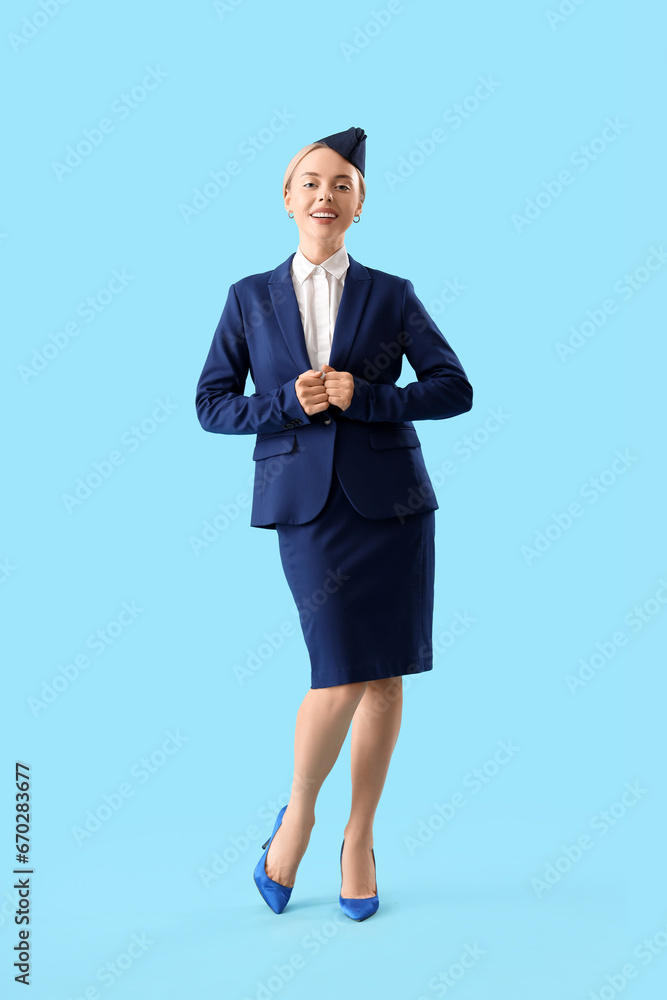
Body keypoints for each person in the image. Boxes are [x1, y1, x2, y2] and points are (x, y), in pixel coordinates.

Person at [195, 126, 473, 921]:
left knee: (384, 673)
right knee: (339, 667)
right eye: (311, 182)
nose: (325, 194)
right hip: (306, 509)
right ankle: (300, 815)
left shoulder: (392, 293)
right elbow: (212, 404)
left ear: (359, 204)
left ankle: (359, 837)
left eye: (342, 184)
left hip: (393, 507)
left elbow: (453, 387)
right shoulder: (248, 297)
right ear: (287, 200)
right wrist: (288, 401)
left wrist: (369, 396)